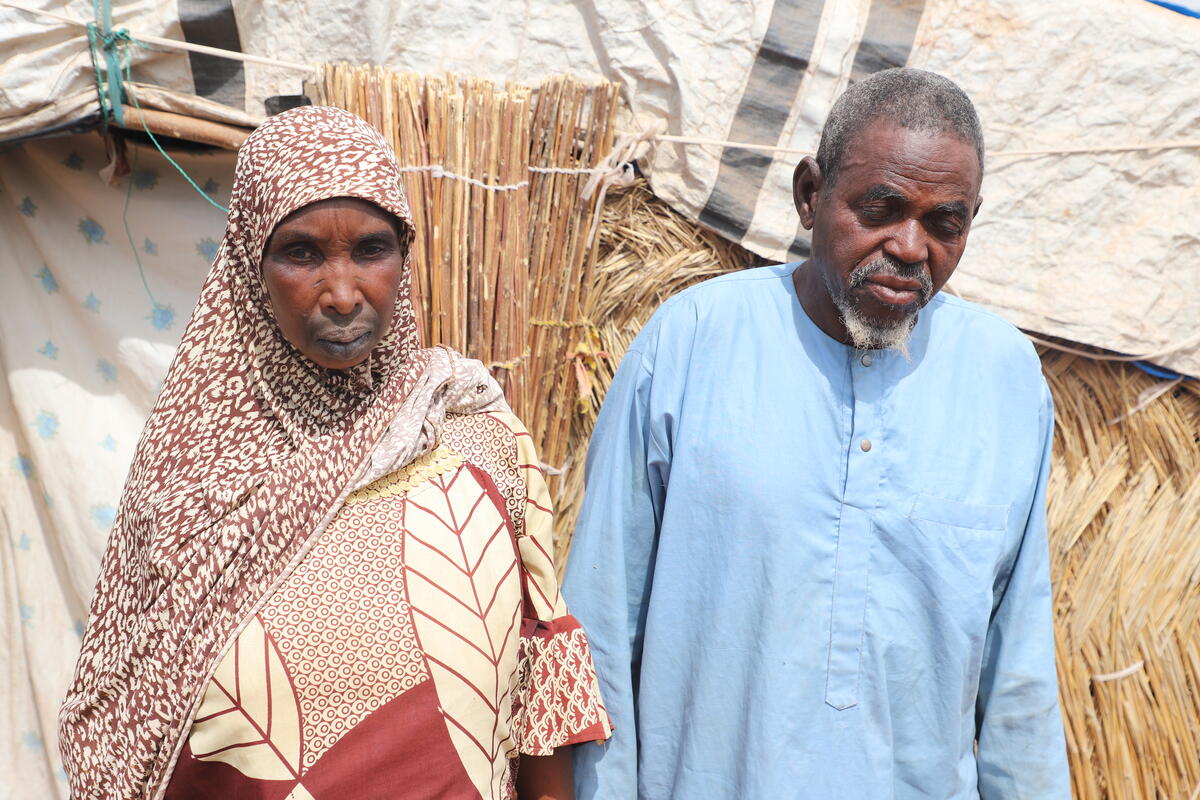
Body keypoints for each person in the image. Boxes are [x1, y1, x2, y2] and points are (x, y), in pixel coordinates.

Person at [59, 106, 609, 800]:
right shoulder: (191, 481)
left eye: (371, 249)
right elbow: (125, 727)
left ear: (404, 259)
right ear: (247, 269)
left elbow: (540, 685)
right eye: (302, 253)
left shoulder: (477, 437)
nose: (343, 294)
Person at [564, 68, 1070, 799]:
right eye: (881, 207)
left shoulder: (1006, 380)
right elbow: (600, 633)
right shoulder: (691, 345)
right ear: (810, 194)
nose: (909, 246)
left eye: (943, 223)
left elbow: (1018, 667)